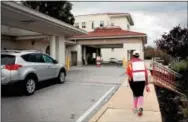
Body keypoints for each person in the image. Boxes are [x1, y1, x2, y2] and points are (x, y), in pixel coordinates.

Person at [126, 50, 150, 116]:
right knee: (140, 93)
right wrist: (147, 84)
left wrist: (129, 80)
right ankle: (140, 107)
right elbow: (146, 73)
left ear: (133, 55)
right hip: (142, 80)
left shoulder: (130, 62)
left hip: (133, 80)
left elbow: (128, 72)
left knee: (135, 94)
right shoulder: (142, 62)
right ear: (138, 55)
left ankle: (135, 108)